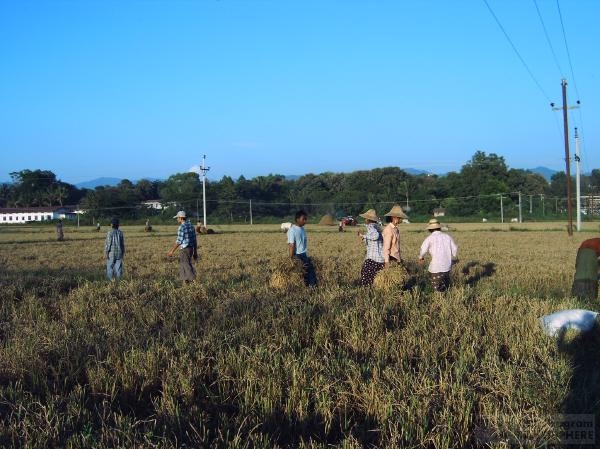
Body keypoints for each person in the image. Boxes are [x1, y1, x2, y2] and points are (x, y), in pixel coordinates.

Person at [418, 218, 458, 292]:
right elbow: (455, 250)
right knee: (445, 287)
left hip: (436, 268)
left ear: (430, 229)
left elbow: (423, 250)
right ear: (439, 227)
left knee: (437, 289)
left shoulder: (429, 238)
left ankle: (439, 301)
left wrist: (421, 258)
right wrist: (453, 256)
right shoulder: (447, 237)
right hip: (447, 267)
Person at [287, 210, 317, 287]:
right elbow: (291, 245)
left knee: (308, 272)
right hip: (297, 255)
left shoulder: (302, 229)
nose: (305, 221)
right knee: (307, 272)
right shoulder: (292, 230)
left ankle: (310, 287)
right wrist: (290, 258)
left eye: (305, 219)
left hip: (303, 254)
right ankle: (310, 287)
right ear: (297, 219)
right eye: (303, 219)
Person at [167, 210, 198, 284]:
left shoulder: (182, 227)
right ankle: (185, 282)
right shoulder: (191, 226)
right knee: (183, 265)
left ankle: (194, 280)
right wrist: (195, 252)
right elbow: (195, 240)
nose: (177, 219)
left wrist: (171, 251)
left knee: (186, 265)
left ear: (181, 218)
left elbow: (179, 241)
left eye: (177, 218)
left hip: (185, 249)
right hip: (191, 249)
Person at [357, 209, 384, 286]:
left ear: (368, 219)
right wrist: (364, 239)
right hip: (380, 259)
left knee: (365, 279)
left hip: (373, 259)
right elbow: (372, 241)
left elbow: (375, 236)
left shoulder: (371, 227)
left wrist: (363, 235)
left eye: (365, 218)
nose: (364, 220)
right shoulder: (376, 228)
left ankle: (367, 293)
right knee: (375, 280)